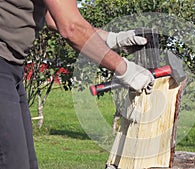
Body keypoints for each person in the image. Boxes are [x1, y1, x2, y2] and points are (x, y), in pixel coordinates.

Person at [0, 0, 154, 168]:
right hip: (4, 66)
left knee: (26, 162)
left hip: (12, 68)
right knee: (12, 161)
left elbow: (53, 18)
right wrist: (124, 69)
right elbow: (71, 27)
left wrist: (112, 39)